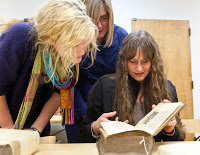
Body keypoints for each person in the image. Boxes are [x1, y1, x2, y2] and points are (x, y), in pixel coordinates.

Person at [0, 0, 98, 137]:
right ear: (53, 37)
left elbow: (59, 92)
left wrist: (35, 130)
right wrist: (10, 133)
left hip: (34, 126)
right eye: (75, 45)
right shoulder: (19, 37)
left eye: (85, 44)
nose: (82, 51)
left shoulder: (76, 54)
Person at [80, 30, 186, 142]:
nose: (139, 68)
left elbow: (178, 139)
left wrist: (169, 130)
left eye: (145, 62)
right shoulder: (105, 86)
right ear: (124, 61)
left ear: (153, 62)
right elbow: (84, 133)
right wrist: (96, 127)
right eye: (133, 61)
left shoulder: (167, 88)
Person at [65, 0, 128, 143]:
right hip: (78, 112)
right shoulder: (74, 39)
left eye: (104, 18)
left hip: (112, 115)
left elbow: (125, 80)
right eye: (94, 19)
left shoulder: (122, 37)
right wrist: (85, 115)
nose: (99, 26)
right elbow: (67, 83)